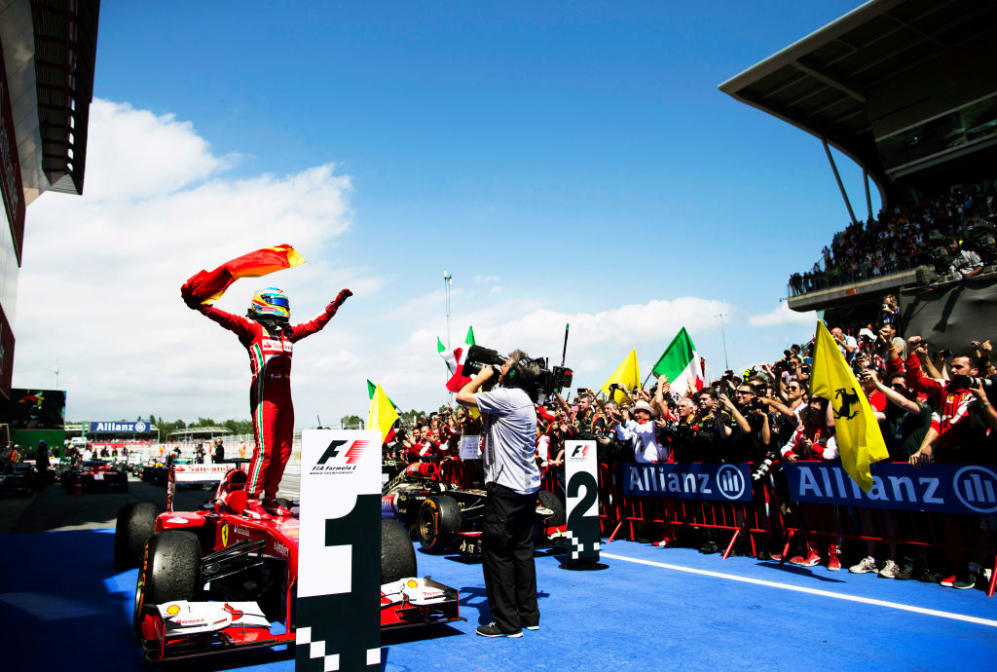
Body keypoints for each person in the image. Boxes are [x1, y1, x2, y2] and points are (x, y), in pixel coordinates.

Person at [186, 285, 352, 517]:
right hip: (264, 397)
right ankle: (251, 499)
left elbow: (317, 324)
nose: (283, 309)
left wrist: (337, 303)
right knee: (266, 449)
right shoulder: (253, 329)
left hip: (285, 399)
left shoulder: (289, 333)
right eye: (279, 304)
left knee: (284, 450)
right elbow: (226, 319)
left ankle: (271, 498)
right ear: (264, 305)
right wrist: (202, 308)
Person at [456, 349, 541, 638]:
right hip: (526, 488)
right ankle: (528, 615)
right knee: (522, 551)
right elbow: (486, 420)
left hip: (505, 489)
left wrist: (479, 378)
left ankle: (507, 623)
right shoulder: (522, 400)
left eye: (505, 364)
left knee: (497, 555)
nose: (500, 365)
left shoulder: (509, 397)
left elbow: (461, 396)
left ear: (514, 373)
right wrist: (488, 383)